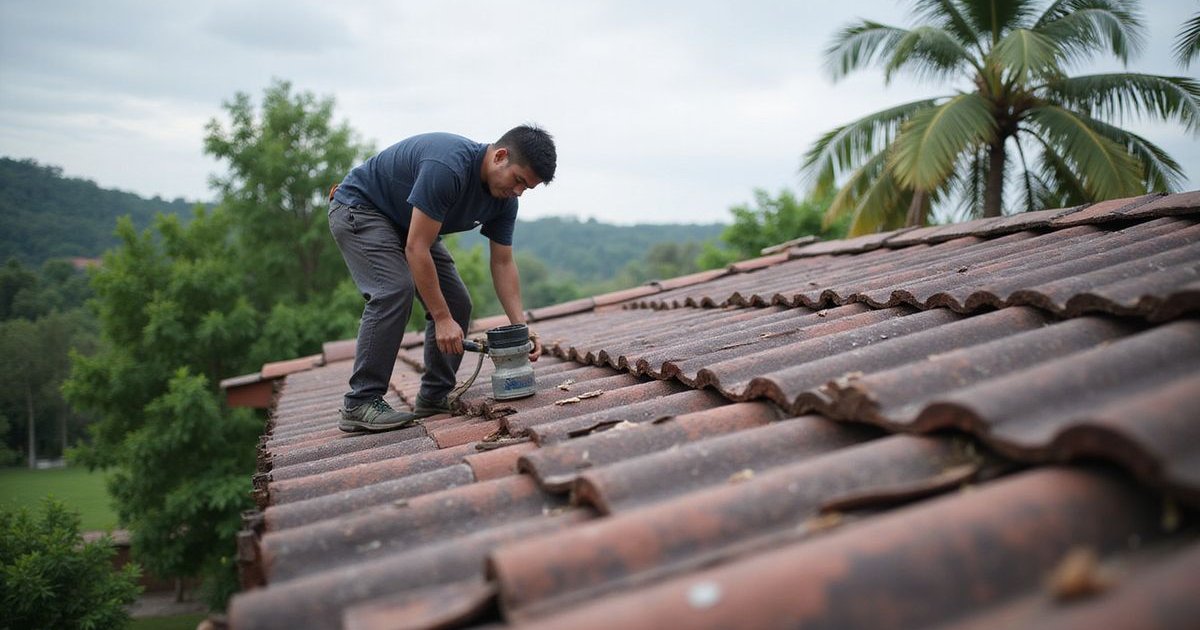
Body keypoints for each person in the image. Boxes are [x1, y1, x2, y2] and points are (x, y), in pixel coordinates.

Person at [328, 125, 555, 433]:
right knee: (394, 290)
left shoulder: (505, 202)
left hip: (410, 224)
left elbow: (502, 263)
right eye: (518, 180)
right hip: (361, 209)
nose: (517, 192)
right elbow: (416, 247)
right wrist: (441, 317)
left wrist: (521, 328)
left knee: (457, 303)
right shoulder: (448, 167)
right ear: (500, 156)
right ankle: (361, 402)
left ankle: (433, 396)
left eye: (526, 188)